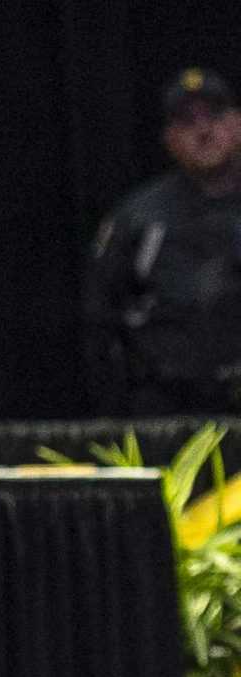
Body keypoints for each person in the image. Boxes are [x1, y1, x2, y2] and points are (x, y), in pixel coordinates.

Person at [85, 67, 241, 416]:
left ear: (237, 123)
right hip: (168, 408)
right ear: (169, 138)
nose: (203, 131)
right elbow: (100, 320)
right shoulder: (139, 218)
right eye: (187, 122)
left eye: (214, 117)